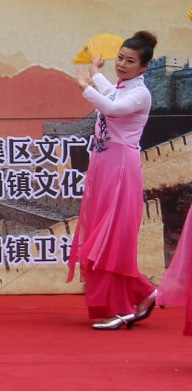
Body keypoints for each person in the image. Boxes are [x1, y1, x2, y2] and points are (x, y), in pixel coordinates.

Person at [68, 33, 157, 329]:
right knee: (101, 235)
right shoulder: (122, 89)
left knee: (111, 239)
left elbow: (113, 108)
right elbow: (111, 94)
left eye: (130, 61)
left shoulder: (141, 93)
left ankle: (121, 308)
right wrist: (96, 73)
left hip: (120, 167)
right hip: (103, 166)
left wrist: (85, 87)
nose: (122, 64)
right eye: (120, 58)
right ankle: (144, 292)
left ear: (143, 67)